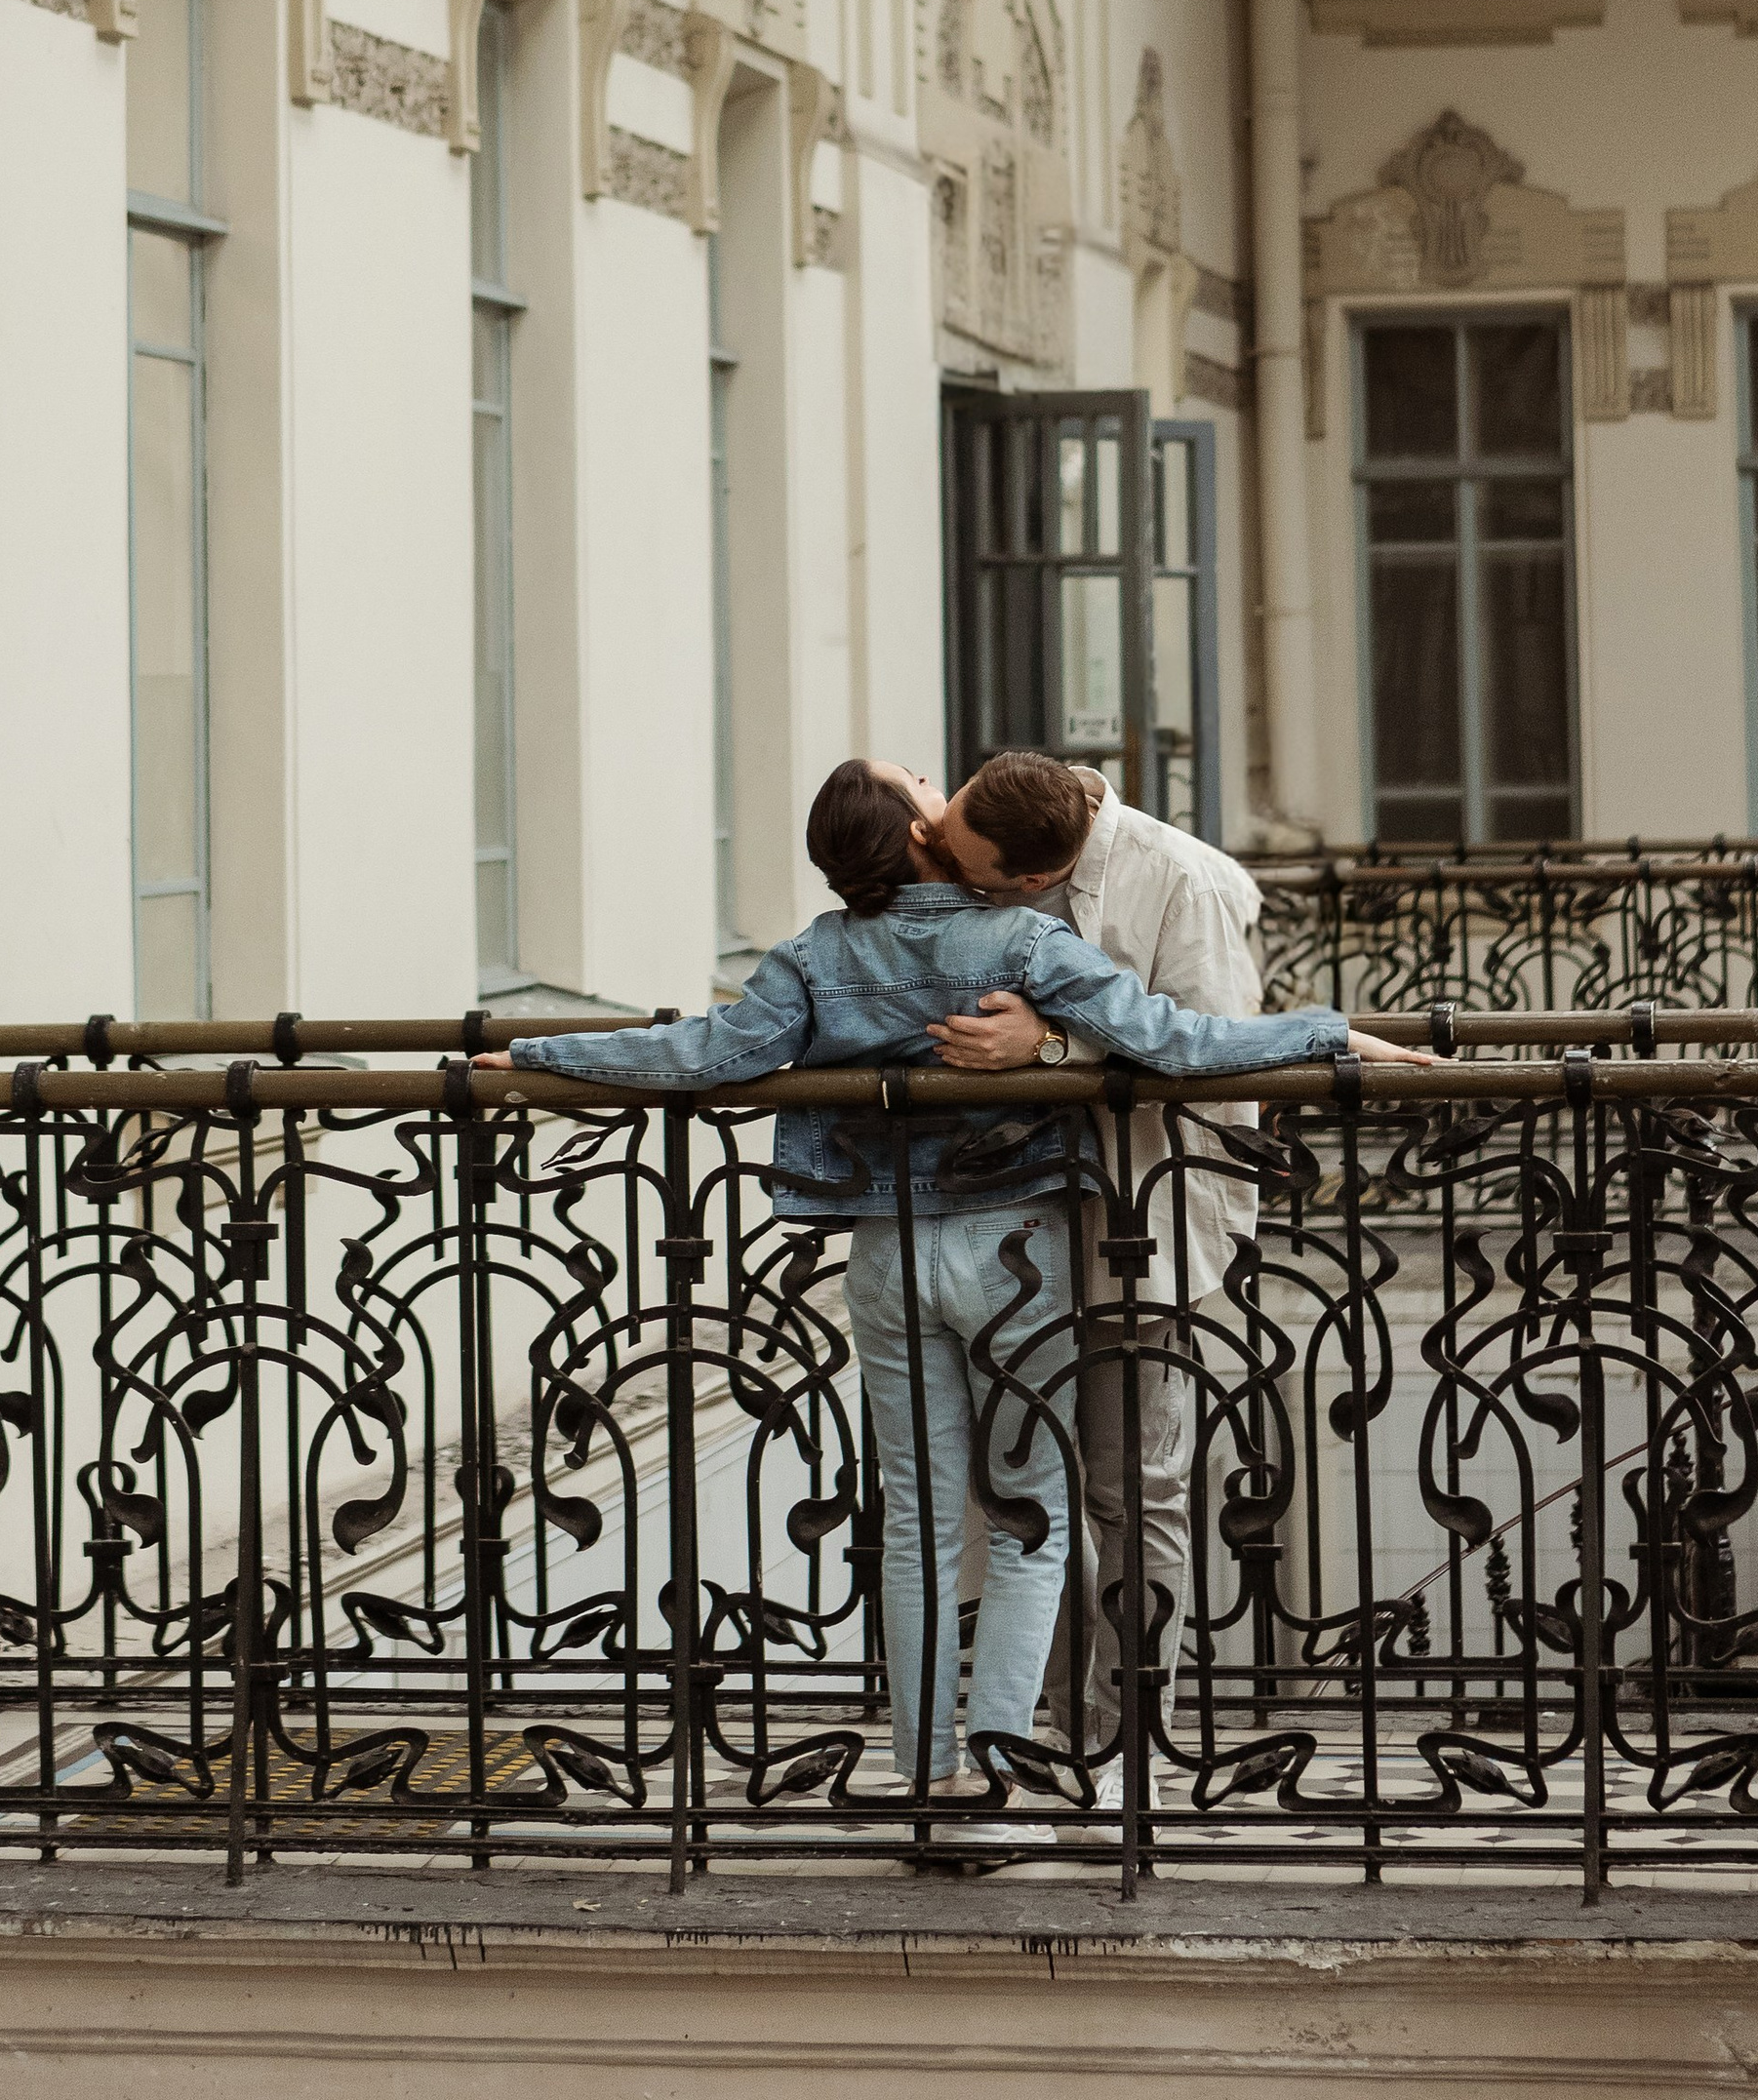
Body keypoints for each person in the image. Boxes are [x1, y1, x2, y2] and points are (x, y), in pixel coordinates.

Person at [488, 757, 1417, 1842]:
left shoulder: (814, 956)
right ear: (923, 835)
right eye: (919, 787)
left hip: (885, 1252)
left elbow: (698, 1054)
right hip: (1017, 1255)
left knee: (920, 1526)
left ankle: (926, 1781)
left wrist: (531, 1052)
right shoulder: (1022, 941)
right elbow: (1181, 1042)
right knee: (1030, 1521)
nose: (935, 785)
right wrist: (1326, 1034)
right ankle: (997, 1780)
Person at [918, 748, 1287, 1805]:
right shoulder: (1002, 832)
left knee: (1132, 1490)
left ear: (1033, 877)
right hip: (1006, 1227)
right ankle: (1065, 1729)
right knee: (1025, 1491)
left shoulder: (1182, 882)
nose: (948, 871)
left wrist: (1048, 1051)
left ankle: (1126, 1750)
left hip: (1140, 1222)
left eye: (969, 872)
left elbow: (1219, 1054)